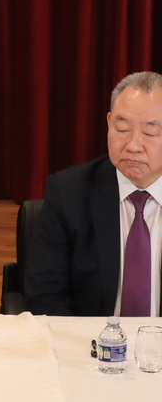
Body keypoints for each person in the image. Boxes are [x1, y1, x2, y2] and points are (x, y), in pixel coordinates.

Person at [25, 71, 162, 316]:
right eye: (121, 129)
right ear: (108, 123)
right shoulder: (68, 193)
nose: (132, 145)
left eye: (150, 133)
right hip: (91, 347)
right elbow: (45, 297)